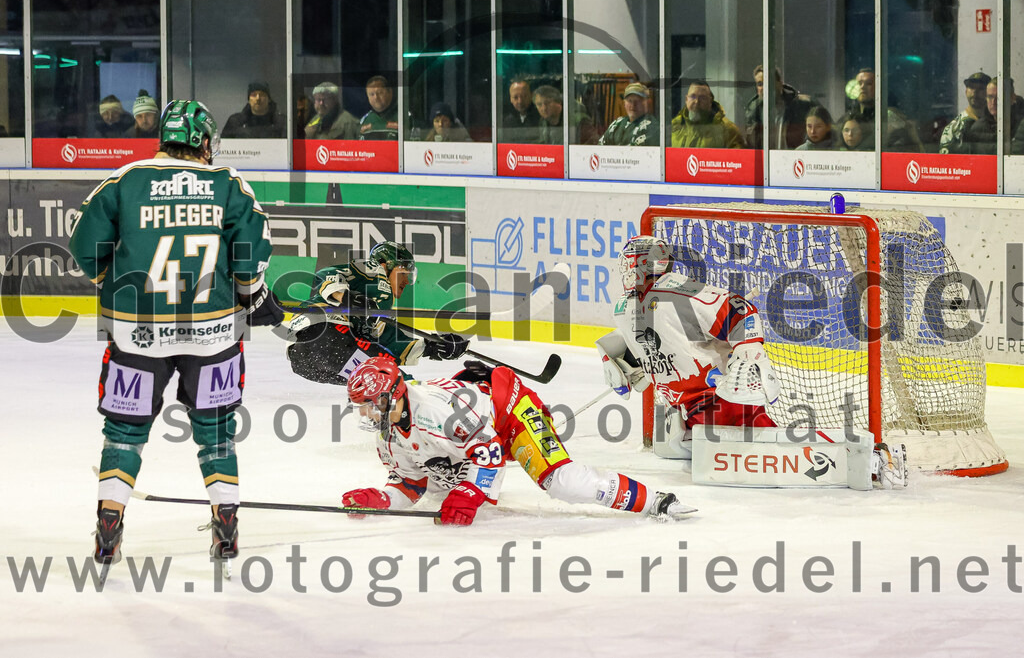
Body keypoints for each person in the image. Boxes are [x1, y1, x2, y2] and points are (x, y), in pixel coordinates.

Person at [69, 99, 282, 569]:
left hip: (135, 334)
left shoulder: (124, 180)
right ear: (204, 141)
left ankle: (109, 521)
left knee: (125, 430)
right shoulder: (229, 184)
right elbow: (250, 254)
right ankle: (225, 524)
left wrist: (116, 284)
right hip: (213, 333)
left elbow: (85, 248)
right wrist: (252, 294)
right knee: (217, 430)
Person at [596, 235, 906, 488]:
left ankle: (872, 458)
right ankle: (860, 456)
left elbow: (741, 310)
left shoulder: (676, 292)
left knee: (776, 454)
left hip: (720, 397)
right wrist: (624, 365)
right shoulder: (626, 308)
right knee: (758, 448)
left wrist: (747, 354)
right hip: (690, 407)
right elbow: (655, 345)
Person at [341, 355, 695, 525]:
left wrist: (471, 492)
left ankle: (656, 501)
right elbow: (411, 486)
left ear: (394, 395)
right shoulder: (389, 434)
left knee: (561, 482)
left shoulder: (436, 413)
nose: (367, 414)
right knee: (439, 488)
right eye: (362, 408)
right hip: (479, 429)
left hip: (509, 413)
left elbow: (491, 452)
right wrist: (380, 500)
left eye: (372, 405)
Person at [285, 241, 470, 385]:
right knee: (395, 383)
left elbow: (392, 344)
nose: (407, 281)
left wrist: (435, 346)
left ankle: (383, 426)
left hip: (305, 362)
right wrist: (345, 297)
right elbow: (326, 273)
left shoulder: (380, 310)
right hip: (322, 334)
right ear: (385, 264)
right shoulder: (373, 271)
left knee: (382, 383)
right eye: (404, 272)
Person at [846, 68, 923, 152]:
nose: (862, 87)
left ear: (879, 88)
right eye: (859, 83)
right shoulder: (848, 117)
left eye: (869, 83)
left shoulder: (890, 115)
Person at [743, 65, 815, 149]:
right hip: (765, 161)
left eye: (768, 82)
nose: (764, 88)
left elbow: (827, 132)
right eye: (760, 84)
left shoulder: (803, 104)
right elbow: (750, 144)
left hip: (796, 159)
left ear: (780, 83)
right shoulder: (753, 111)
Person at [671, 80, 744, 149]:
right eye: (693, 96)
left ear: (710, 101)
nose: (696, 101)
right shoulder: (675, 125)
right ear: (686, 99)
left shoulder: (727, 130)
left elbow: (737, 160)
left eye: (702, 98)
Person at [940, 71, 992, 154]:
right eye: (971, 87)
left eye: (981, 88)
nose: (975, 92)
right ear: (966, 91)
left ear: (989, 93)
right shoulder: (955, 128)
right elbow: (945, 163)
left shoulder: (997, 123)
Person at [533, 85, 598, 145]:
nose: (544, 108)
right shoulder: (543, 122)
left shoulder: (579, 120)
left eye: (548, 103)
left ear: (558, 102)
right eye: (539, 104)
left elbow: (593, 144)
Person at [598, 82, 659, 146]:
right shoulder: (616, 124)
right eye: (629, 100)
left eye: (638, 101)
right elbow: (600, 148)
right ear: (624, 103)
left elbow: (635, 153)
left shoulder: (651, 127)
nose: (633, 105)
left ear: (646, 103)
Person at [221, 81, 285, 138]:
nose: (258, 98)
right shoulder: (236, 122)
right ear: (249, 100)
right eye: (254, 95)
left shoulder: (281, 121)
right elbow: (224, 146)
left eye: (262, 95)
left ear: (269, 99)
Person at [501, 78, 541, 143]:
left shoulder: (541, 117)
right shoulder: (507, 121)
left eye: (524, 96)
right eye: (515, 97)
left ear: (531, 96)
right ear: (511, 99)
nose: (520, 101)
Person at [359, 75, 399, 140]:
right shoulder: (364, 121)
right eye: (372, 94)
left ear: (390, 92)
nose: (376, 97)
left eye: (380, 93)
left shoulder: (403, 117)